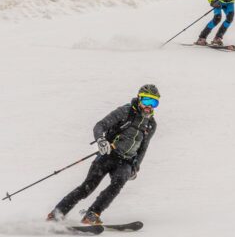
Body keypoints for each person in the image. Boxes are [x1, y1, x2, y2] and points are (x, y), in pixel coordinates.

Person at [46, 84, 160, 225]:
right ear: (139, 98)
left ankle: (92, 214)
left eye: (154, 102)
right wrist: (101, 140)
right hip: (108, 155)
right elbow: (100, 125)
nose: (149, 106)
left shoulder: (151, 124)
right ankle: (57, 213)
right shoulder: (125, 111)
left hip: (126, 161)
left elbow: (143, 148)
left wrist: (135, 166)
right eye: (147, 101)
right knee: (87, 188)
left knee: (116, 185)